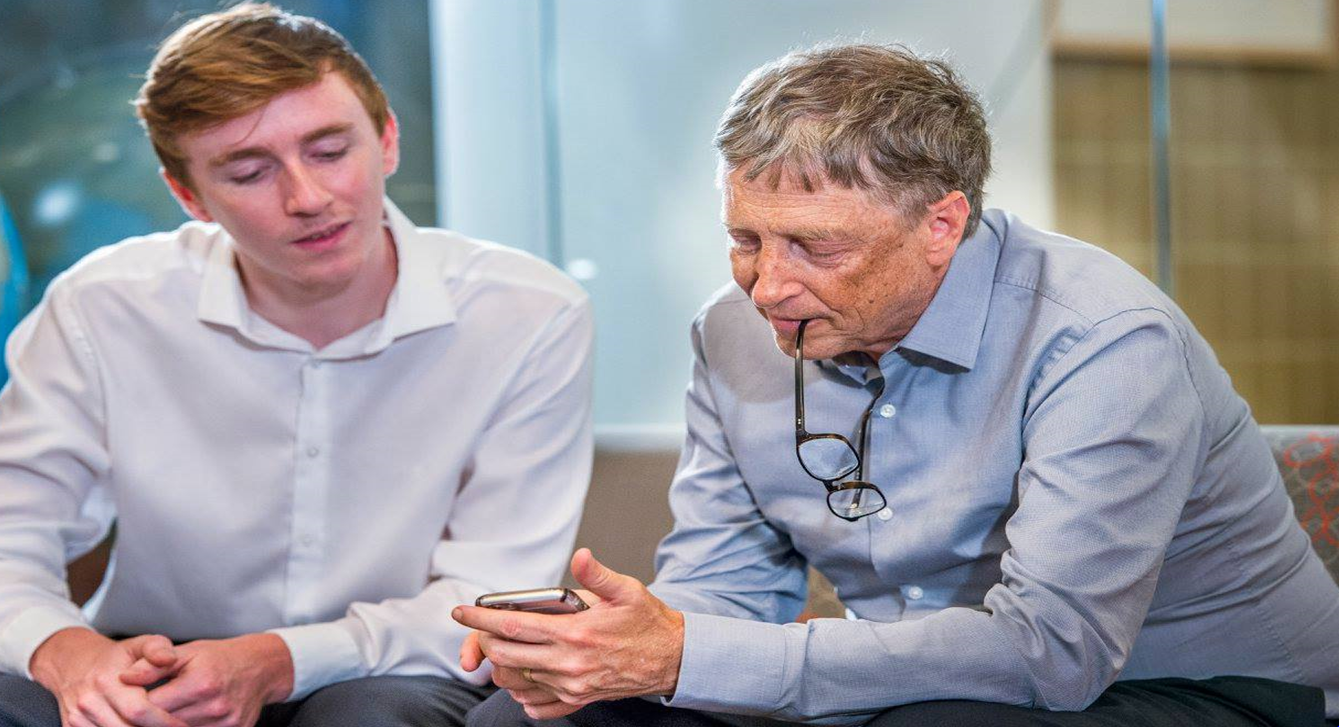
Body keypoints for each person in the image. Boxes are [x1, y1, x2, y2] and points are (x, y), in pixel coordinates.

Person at [457, 43, 1339, 727]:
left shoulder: (1103, 341)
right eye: (746, 238)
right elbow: (721, 592)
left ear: (941, 224)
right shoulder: (733, 332)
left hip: (1211, 690)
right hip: (910, 689)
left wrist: (683, 654)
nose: (765, 285)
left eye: (815, 246)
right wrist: (604, 647)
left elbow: (1049, 657)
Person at [0, 4, 593, 727]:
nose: (307, 198)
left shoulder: (528, 313)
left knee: (367, 718)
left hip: (393, 667)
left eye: (329, 149)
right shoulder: (102, 305)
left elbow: (489, 594)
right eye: (248, 171)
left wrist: (279, 658)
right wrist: (69, 654)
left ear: (387, 139)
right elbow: (11, 534)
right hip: (153, 655)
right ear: (189, 197)